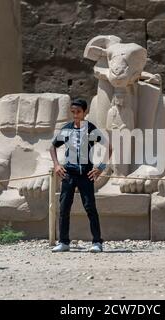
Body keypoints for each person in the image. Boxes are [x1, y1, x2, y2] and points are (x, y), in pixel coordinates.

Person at [50, 98, 112, 253]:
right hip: (69, 173)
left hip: (86, 174)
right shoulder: (67, 129)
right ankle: (64, 242)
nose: (75, 115)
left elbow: (108, 147)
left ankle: (97, 242)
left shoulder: (90, 129)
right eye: (73, 112)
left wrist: (100, 168)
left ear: (85, 112)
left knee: (90, 207)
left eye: (78, 112)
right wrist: (57, 165)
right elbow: (52, 147)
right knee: (64, 207)